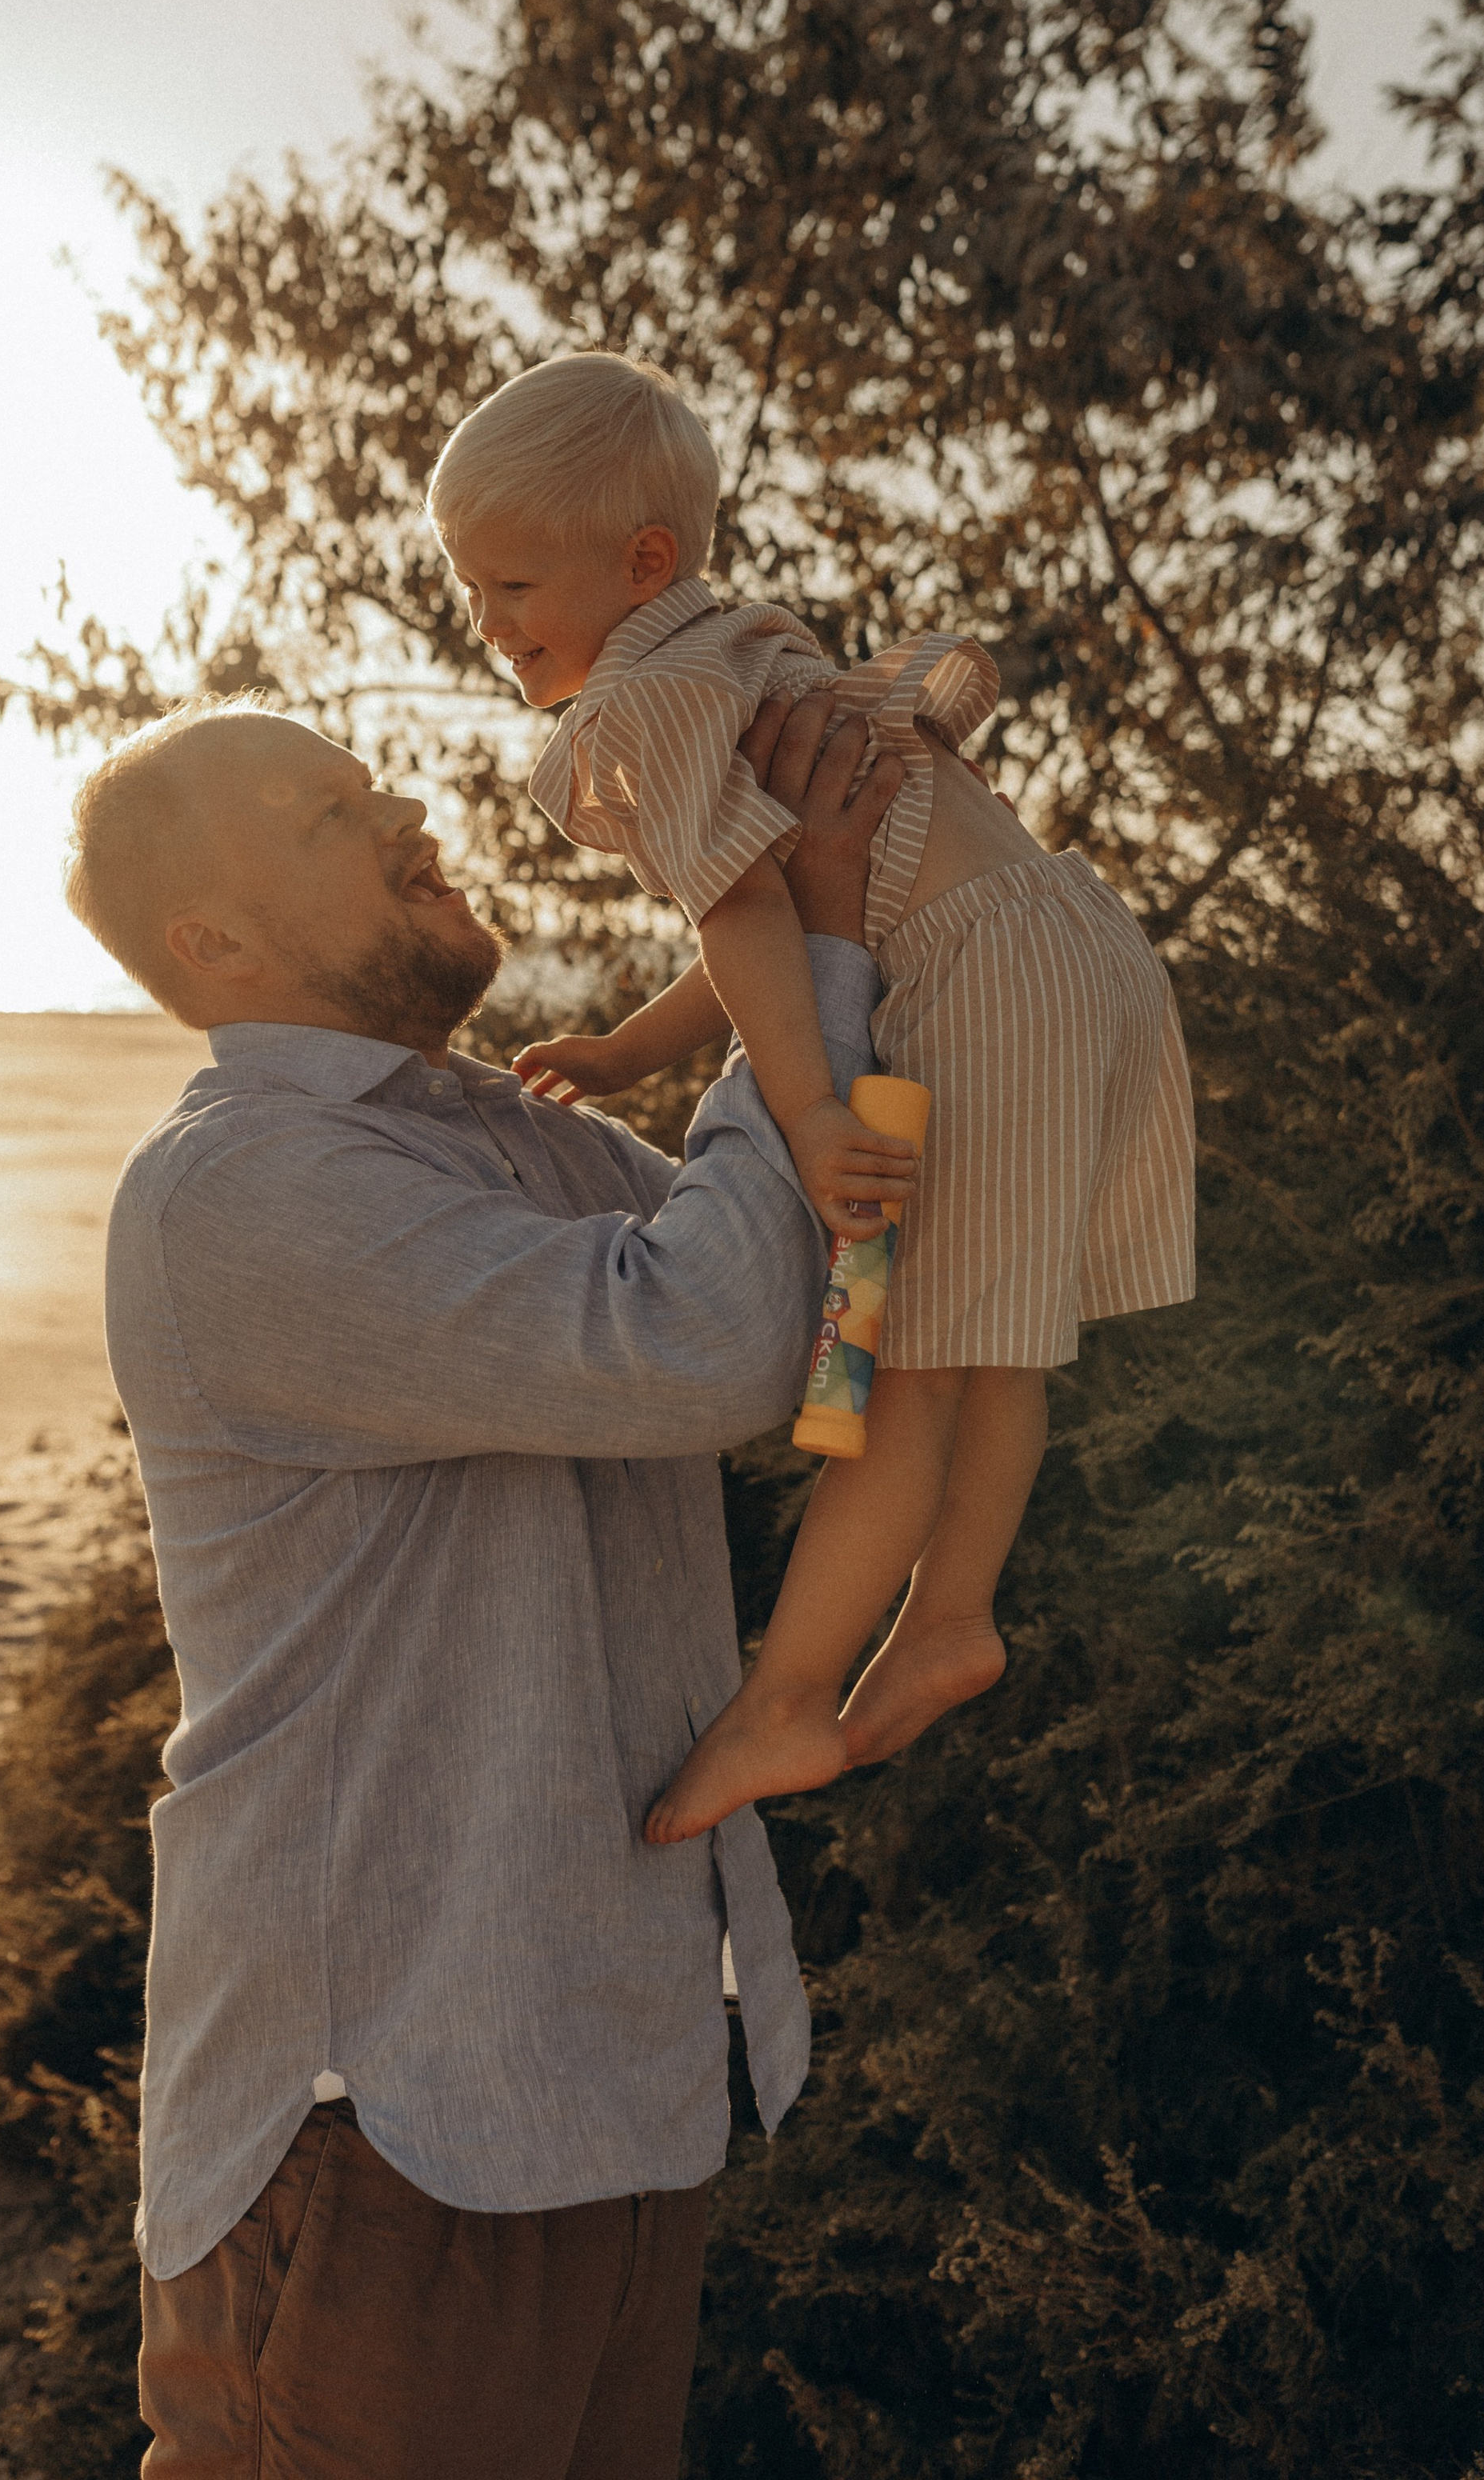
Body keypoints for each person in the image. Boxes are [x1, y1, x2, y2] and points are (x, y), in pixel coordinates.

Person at [70, 683, 909, 2479]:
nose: (398, 810)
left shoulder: (516, 1139)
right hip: (382, 2110)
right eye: (322, 815)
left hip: (612, 2080)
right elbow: (709, 1342)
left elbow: (804, 1291)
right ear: (208, 942)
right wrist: (805, 923)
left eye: (368, 778)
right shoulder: (243, 1188)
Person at [427, 351, 1198, 1847]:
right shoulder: (739, 649)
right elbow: (767, 906)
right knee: (985, 1353)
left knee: (896, 1369)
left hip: (978, 980)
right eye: (473, 589)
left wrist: (814, 1112)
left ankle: (789, 1700)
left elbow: (753, 919)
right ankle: (951, 1617)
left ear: (641, 562)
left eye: (512, 585)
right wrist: (639, 1051)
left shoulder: (646, 703)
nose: (489, 623)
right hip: (1068, 948)